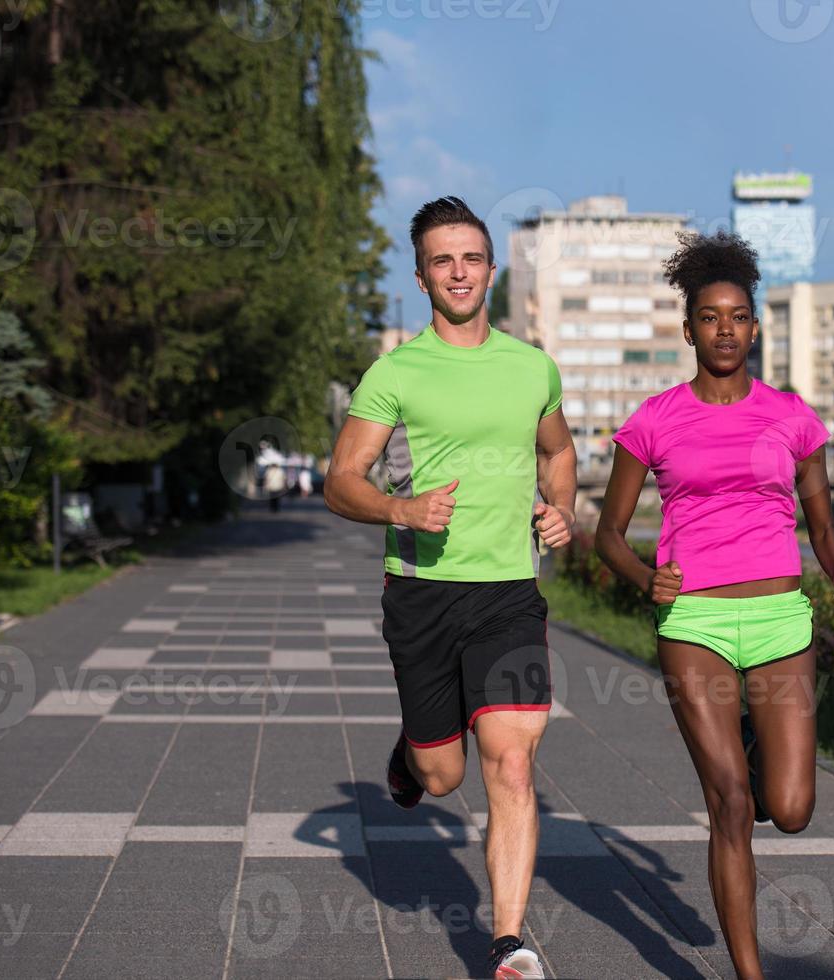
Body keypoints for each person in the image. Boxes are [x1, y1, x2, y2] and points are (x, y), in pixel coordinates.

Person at [594, 231, 834, 980]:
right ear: (689, 330)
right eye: (709, 317)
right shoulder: (653, 420)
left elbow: (823, 527)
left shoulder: (792, 418)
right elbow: (606, 534)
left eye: (737, 316)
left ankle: (755, 740)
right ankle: (748, 975)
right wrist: (642, 575)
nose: (724, 329)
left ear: (754, 327)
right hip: (696, 625)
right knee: (729, 804)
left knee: (790, 808)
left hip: (781, 621)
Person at [324, 196, 576, 980]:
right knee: (443, 775)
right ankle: (409, 758)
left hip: (507, 594)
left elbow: (559, 452)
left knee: (511, 764)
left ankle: (507, 940)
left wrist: (559, 510)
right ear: (423, 277)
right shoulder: (395, 371)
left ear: (491, 271)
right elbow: (341, 481)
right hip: (422, 594)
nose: (458, 271)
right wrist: (400, 507)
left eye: (470, 257)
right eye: (442, 260)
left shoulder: (530, 365)